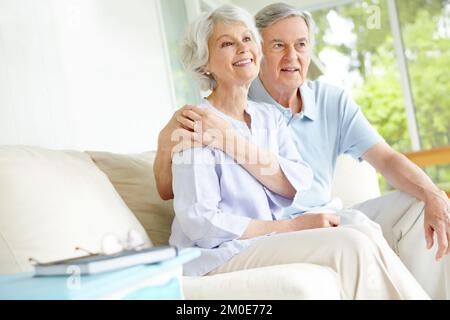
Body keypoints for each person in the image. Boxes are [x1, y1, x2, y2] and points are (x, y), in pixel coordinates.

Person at [154, 2, 449, 298]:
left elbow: (296, 179)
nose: (243, 49)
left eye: (247, 39)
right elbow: (201, 223)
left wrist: (232, 143)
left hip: (263, 239)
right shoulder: (195, 124)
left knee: (360, 232)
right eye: (227, 43)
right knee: (350, 245)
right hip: (216, 253)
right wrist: (290, 227)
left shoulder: (267, 117)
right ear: (204, 61)